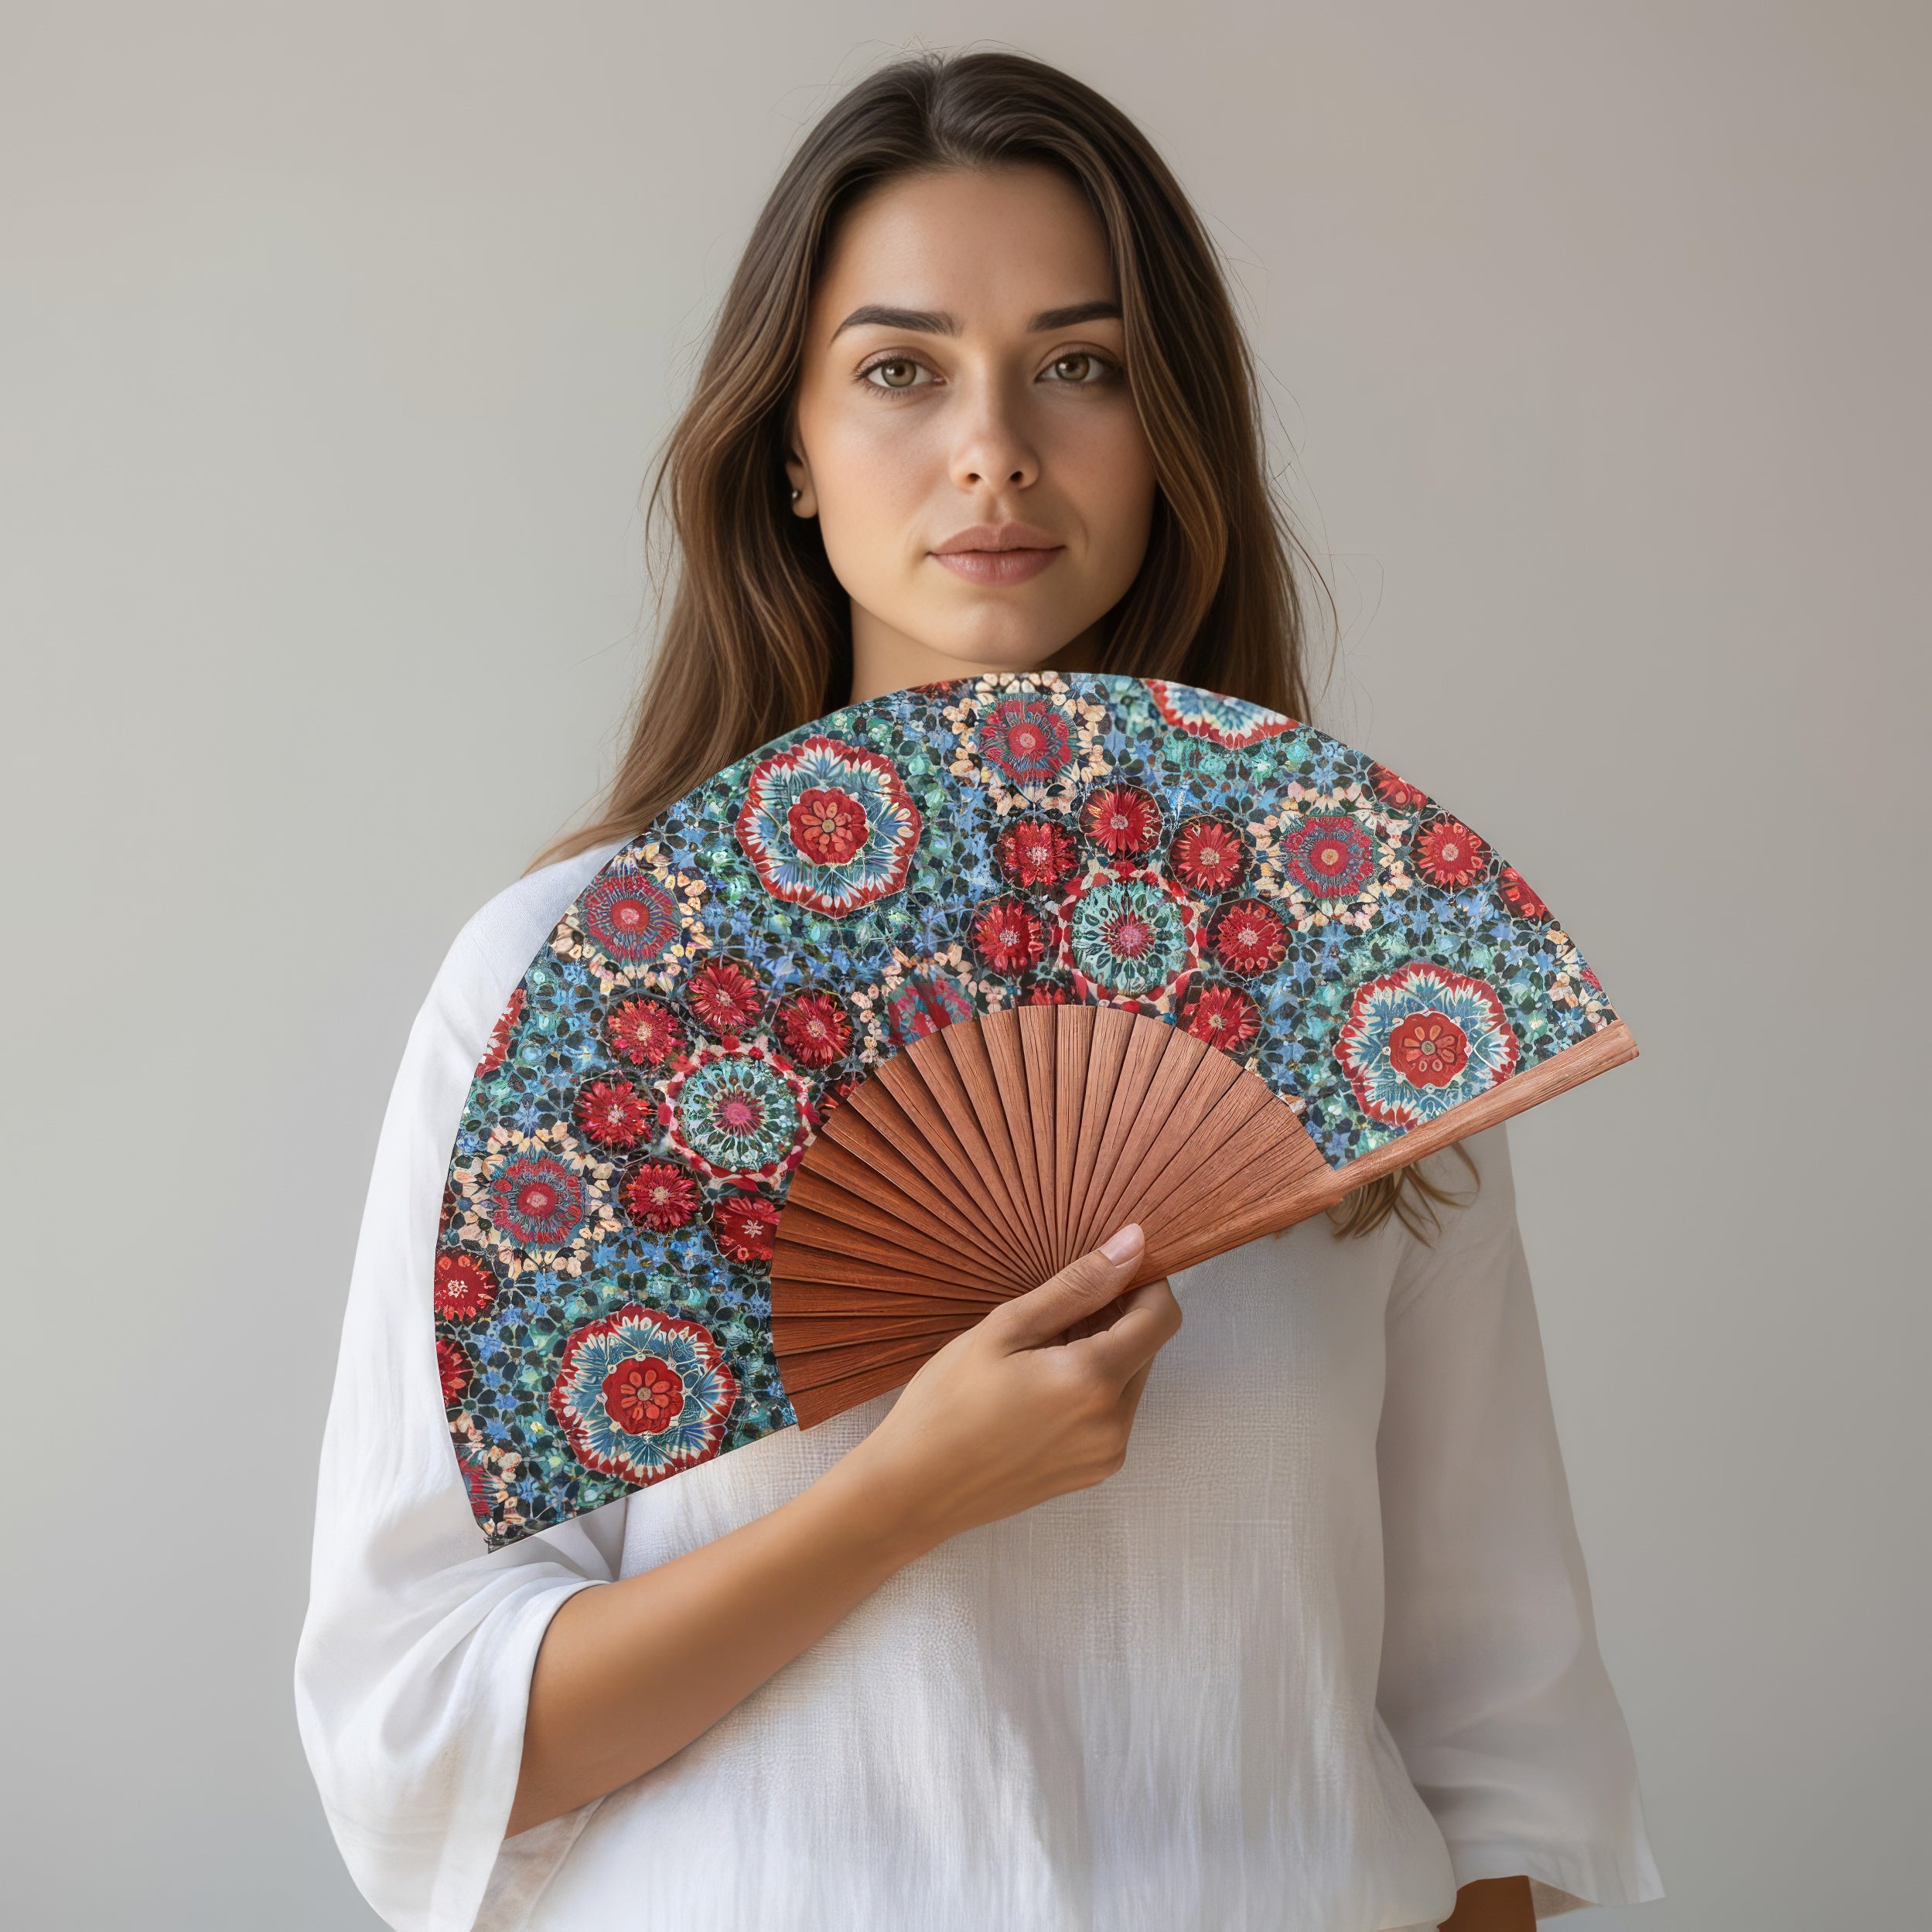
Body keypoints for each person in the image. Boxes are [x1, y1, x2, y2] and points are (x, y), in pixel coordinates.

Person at [295, 49, 1664, 1932]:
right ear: (786, 441)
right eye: (899, 367)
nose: (994, 446)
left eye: (1079, 364)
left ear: (1171, 426)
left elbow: (1490, 1744)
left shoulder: (1354, 982)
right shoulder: (570, 985)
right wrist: (901, 1489)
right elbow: (425, 1736)